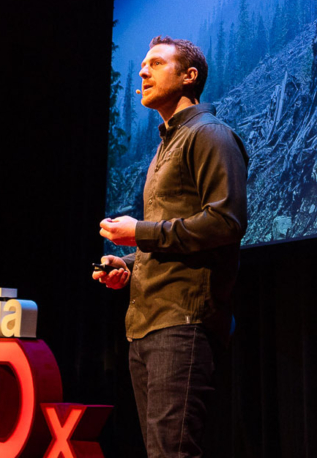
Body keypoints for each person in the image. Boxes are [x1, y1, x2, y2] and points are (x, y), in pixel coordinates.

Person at [96, 36, 249, 458]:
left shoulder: (210, 134)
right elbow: (172, 230)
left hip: (184, 323)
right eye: (142, 65)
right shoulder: (166, 143)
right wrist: (127, 261)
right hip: (147, 323)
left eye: (156, 63)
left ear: (189, 76)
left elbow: (225, 222)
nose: (142, 72)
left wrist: (139, 233)